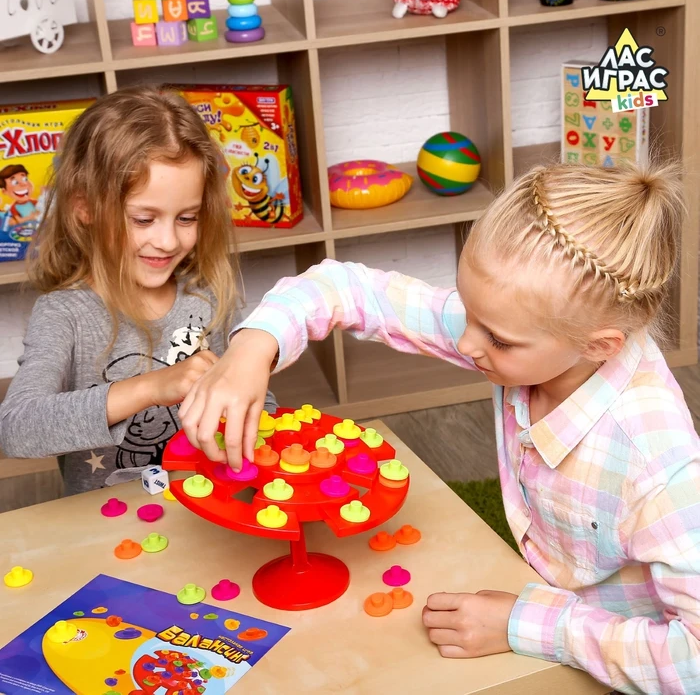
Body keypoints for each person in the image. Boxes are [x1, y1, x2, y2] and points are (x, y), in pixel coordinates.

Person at [178, 160, 700, 694]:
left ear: (599, 346)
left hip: (616, 662)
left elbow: (693, 663)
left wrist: (528, 625)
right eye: (466, 309)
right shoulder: (529, 330)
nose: (466, 344)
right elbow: (344, 287)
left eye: (497, 340)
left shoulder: (659, 466)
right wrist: (253, 346)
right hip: (539, 603)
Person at [0, 86, 276, 495]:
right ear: (84, 207)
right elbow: (15, 428)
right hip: (109, 523)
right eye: (144, 219)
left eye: (187, 218)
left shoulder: (209, 296)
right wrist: (151, 388)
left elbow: (257, 403)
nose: (167, 241)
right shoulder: (64, 314)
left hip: (209, 507)